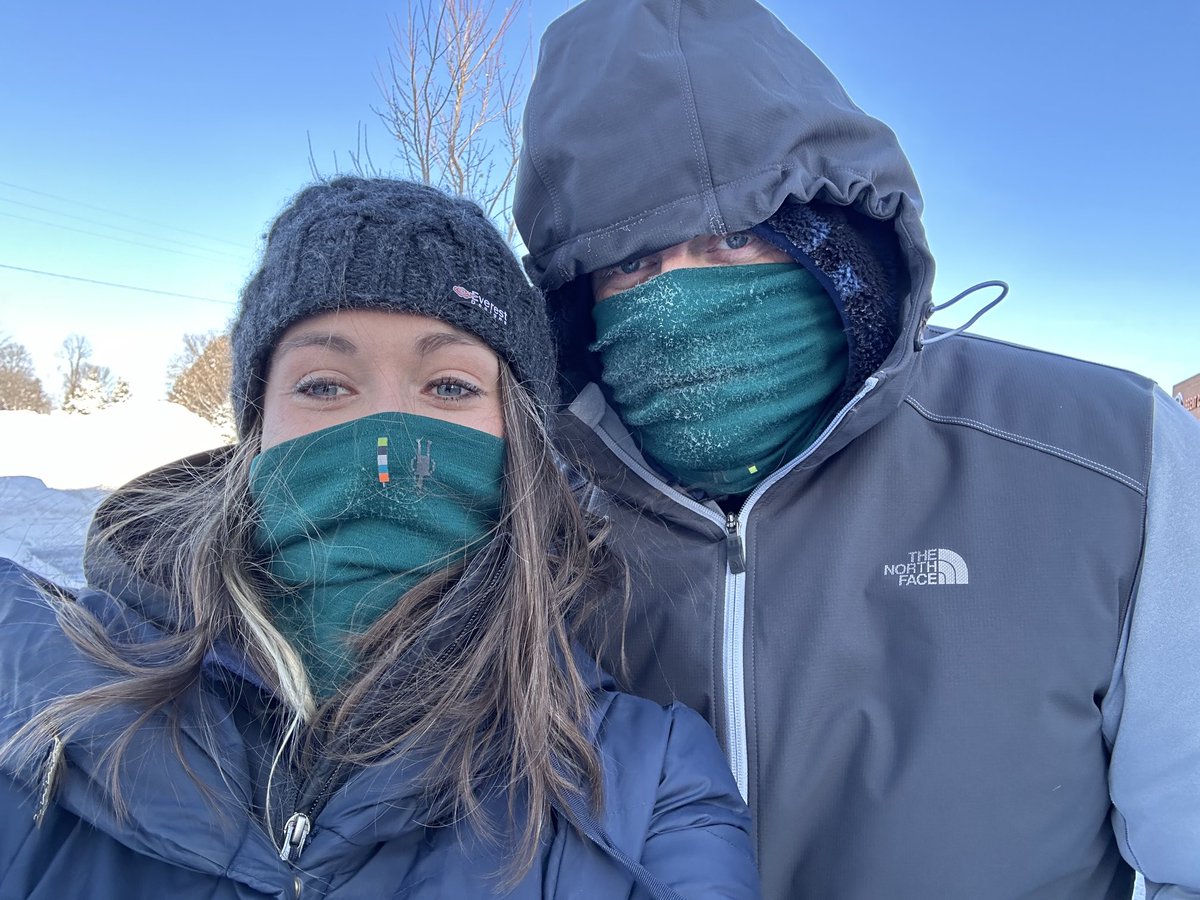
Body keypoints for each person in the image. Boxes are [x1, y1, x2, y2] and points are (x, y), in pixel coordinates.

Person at [512, 1, 1200, 898]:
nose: (678, 301)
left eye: (731, 237)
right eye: (632, 262)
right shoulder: (530, 517)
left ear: (833, 236)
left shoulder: (1112, 459)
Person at [0, 178, 760, 899]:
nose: (385, 444)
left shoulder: (649, 780)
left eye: (452, 387)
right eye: (325, 385)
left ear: (521, 440)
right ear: (255, 433)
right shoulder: (38, 695)